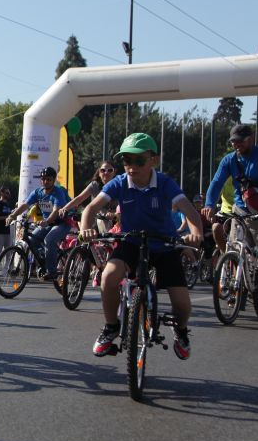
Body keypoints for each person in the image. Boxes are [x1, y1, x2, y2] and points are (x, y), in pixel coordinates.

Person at [79, 133, 202, 360]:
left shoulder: (165, 183)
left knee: (182, 304)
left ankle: (181, 331)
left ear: (153, 160)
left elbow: (189, 210)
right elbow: (91, 208)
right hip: (132, 241)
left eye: (139, 161)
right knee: (108, 277)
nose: (131, 167)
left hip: (164, 245)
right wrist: (86, 228)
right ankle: (111, 326)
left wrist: (195, 233)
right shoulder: (119, 182)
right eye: (126, 160)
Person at [202, 124, 258, 265]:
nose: (236, 144)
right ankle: (236, 282)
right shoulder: (229, 160)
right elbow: (217, 182)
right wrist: (209, 205)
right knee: (235, 253)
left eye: (240, 140)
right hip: (240, 210)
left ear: (251, 139)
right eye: (233, 141)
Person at [5, 167, 71, 280]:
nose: (46, 182)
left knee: (49, 240)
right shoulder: (37, 192)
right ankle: (46, 257)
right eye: (43, 179)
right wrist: (13, 215)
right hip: (48, 224)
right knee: (32, 240)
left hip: (61, 223)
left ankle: (52, 271)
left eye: (49, 179)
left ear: (54, 180)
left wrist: (46, 221)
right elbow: (25, 205)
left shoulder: (58, 192)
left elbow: (56, 210)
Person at [59, 160, 118, 234]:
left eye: (110, 170)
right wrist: (65, 208)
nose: (106, 173)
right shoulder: (94, 185)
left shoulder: (118, 185)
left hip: (116, 223)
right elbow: (79, 198)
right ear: (99, 173)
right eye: (103, 170)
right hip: (96, 221)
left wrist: (115, 213)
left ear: (114, 172)